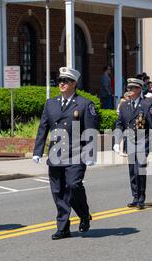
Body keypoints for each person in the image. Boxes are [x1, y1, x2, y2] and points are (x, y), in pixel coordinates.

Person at [33, 67, 99, 240]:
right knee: (58, 191)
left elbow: (91, 130)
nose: (61, 83)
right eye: (60, 80)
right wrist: (37, 151)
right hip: (55, 154)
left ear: (74, 84)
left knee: (74, 186)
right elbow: (43, 128)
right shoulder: (51, 103)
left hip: (76, 154)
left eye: (66, 81)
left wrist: (91, 154)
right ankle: (63, 227)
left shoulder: (85, 104)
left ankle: (84, 214)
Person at [113, 78, 152, 209]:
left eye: (132, 88)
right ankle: (135, 197)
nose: (129, 91)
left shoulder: (147, 104)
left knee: (139, 170)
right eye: (128, 88)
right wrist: (116, 141)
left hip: (144, 141)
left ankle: (141, 198)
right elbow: (119, 123)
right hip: (129, 142)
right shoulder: (124, 105)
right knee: (132, 171)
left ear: (139, 90)